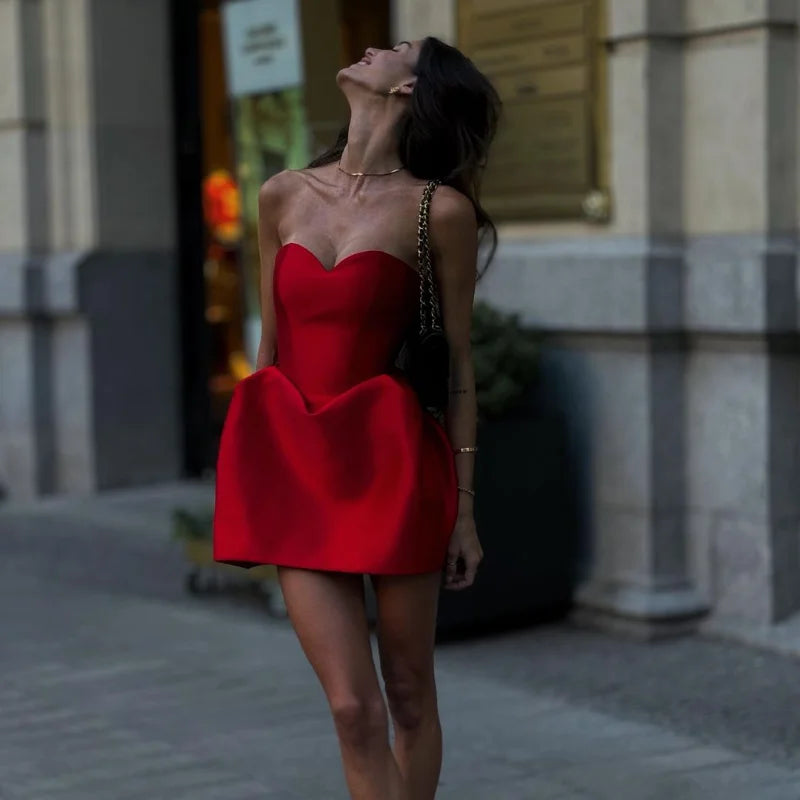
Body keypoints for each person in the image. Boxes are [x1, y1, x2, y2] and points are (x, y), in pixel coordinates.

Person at [213, 35, 500, 800]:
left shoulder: (439, 211)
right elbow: (270, 351)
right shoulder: (281, 194)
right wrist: (250, 470)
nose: (374, 46)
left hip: (392, 466)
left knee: (408, 695)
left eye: (397, 48)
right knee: (350, 707)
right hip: (299, 468)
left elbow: (460, 372)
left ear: (410, 90)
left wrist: (464, 512)